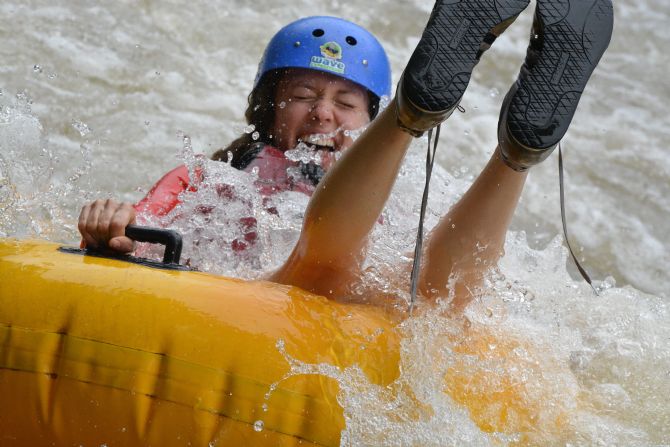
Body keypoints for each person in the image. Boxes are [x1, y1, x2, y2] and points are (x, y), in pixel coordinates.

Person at [78, 0, 613, 311]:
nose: (323, 115)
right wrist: (111, 223)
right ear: (269, 110)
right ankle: (510, 153)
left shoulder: (391, 195)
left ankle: (503, 144)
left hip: (344, 319)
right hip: (260, 303)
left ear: (364, 118)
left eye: (345, 103)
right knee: (346, 277)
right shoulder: (210, 178)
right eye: (304, 97)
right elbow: (136, 229)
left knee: (439, 297)